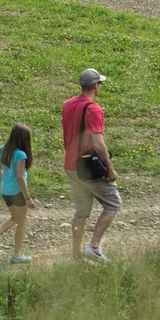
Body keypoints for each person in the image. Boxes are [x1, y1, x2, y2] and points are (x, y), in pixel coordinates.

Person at [62, 68, 121, 262]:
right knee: (113, 203)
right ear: (95, 86)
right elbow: (98, 142)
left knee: (81, 210)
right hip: (89, 167)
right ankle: (94, 246)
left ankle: (75, 254)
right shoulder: (93, 109)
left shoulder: (68, 105)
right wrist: (110, 168)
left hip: (71, 165)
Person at [0, 123, 36, 264]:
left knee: (14, 217)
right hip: (17, 192)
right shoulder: (21, 154)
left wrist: (5, 181)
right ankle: (16, 255)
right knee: (22, 221)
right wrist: (28, 198)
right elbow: (20, 177)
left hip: (5, 191)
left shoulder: (3, 149)